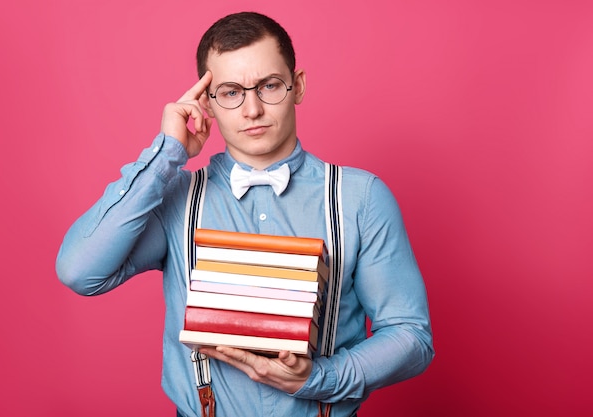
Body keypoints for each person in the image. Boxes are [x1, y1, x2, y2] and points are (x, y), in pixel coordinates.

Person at [56, 11, 434, 417]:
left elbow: (411, 336)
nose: (251, 109)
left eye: (269, 86)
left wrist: (321, 378)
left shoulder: (359, 198)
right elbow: (80, 271)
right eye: (231, 92)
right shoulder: (175, 199)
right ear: (208, 103)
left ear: (298, 86)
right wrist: (167, 153)